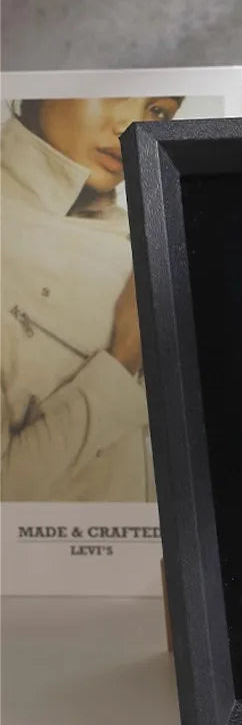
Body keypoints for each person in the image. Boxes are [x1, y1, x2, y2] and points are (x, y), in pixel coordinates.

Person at [1, 97, 182, 501]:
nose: (130, 126)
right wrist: (123, 359)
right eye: (116, 94)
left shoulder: (148, 232)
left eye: (158, 110)